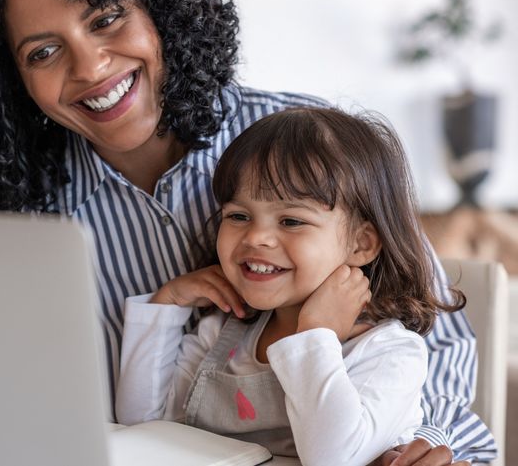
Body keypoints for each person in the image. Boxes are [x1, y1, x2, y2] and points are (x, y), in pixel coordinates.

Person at [0, 0, 495, 463]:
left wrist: (416, 442)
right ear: (7, 82)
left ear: (163, 9)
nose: (91, 66)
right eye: (42, 52)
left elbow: (436, 337)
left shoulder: (314, 147)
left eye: (107, 17)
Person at [114, 106, 464, 465]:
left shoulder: (387, 352)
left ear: (360, 243)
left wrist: (316, 334)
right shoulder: (222, 334)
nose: (257, 237)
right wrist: (167, 304)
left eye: (292, 221)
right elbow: (142, 423)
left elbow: (333, 459)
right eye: (238, 216)